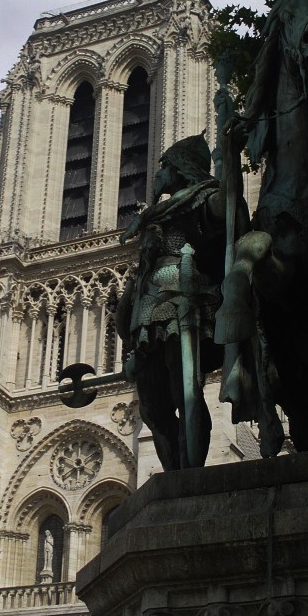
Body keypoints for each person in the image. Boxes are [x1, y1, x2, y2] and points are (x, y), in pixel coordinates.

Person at [117, 135, 225, 469]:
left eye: (164, 165)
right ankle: (173, 475)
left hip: (183, 297)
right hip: (149, 304)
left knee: (186, 394)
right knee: (151, 405)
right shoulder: (155, 213)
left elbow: (223, 217)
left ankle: (191, 475)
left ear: (179, 168)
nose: (158, 173)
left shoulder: (202, 197)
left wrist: (230, 177)